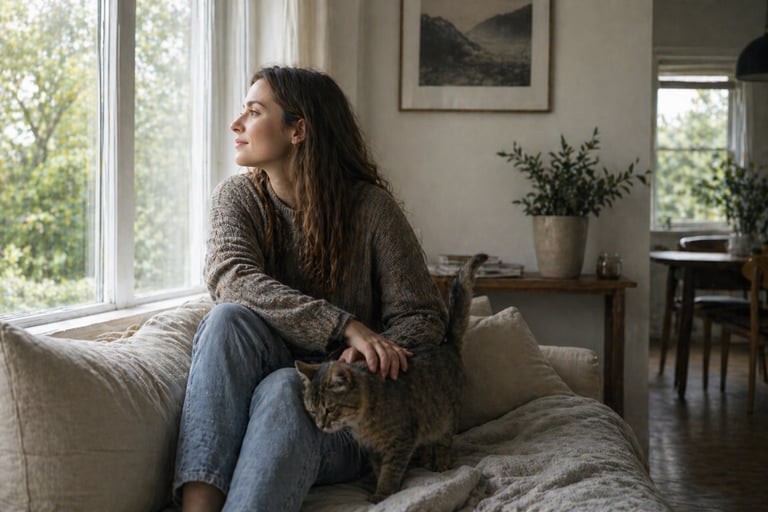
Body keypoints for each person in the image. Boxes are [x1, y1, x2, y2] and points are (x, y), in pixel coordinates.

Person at [172, 65, 447, 512]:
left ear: (298, 130)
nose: (236, 124)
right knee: (226, 319)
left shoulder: (371, 209)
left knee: (285, 388)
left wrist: (370, 353)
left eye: (254, 111)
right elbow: (230, 278)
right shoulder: (236, 198)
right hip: (252, 387)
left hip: (344, 416)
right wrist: (344, 325)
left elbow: (423, 315)